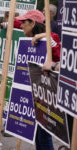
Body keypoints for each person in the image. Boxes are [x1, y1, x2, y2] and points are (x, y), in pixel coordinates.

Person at [16, 9, 61, 150]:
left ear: (33, 23)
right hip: (33, 94)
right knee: (36, 133)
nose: (21, 25)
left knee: (44, 134)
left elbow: (58, 51)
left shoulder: (51, 38)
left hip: (47, 96)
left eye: (24, 22)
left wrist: (43, 36)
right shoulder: (27, 42)